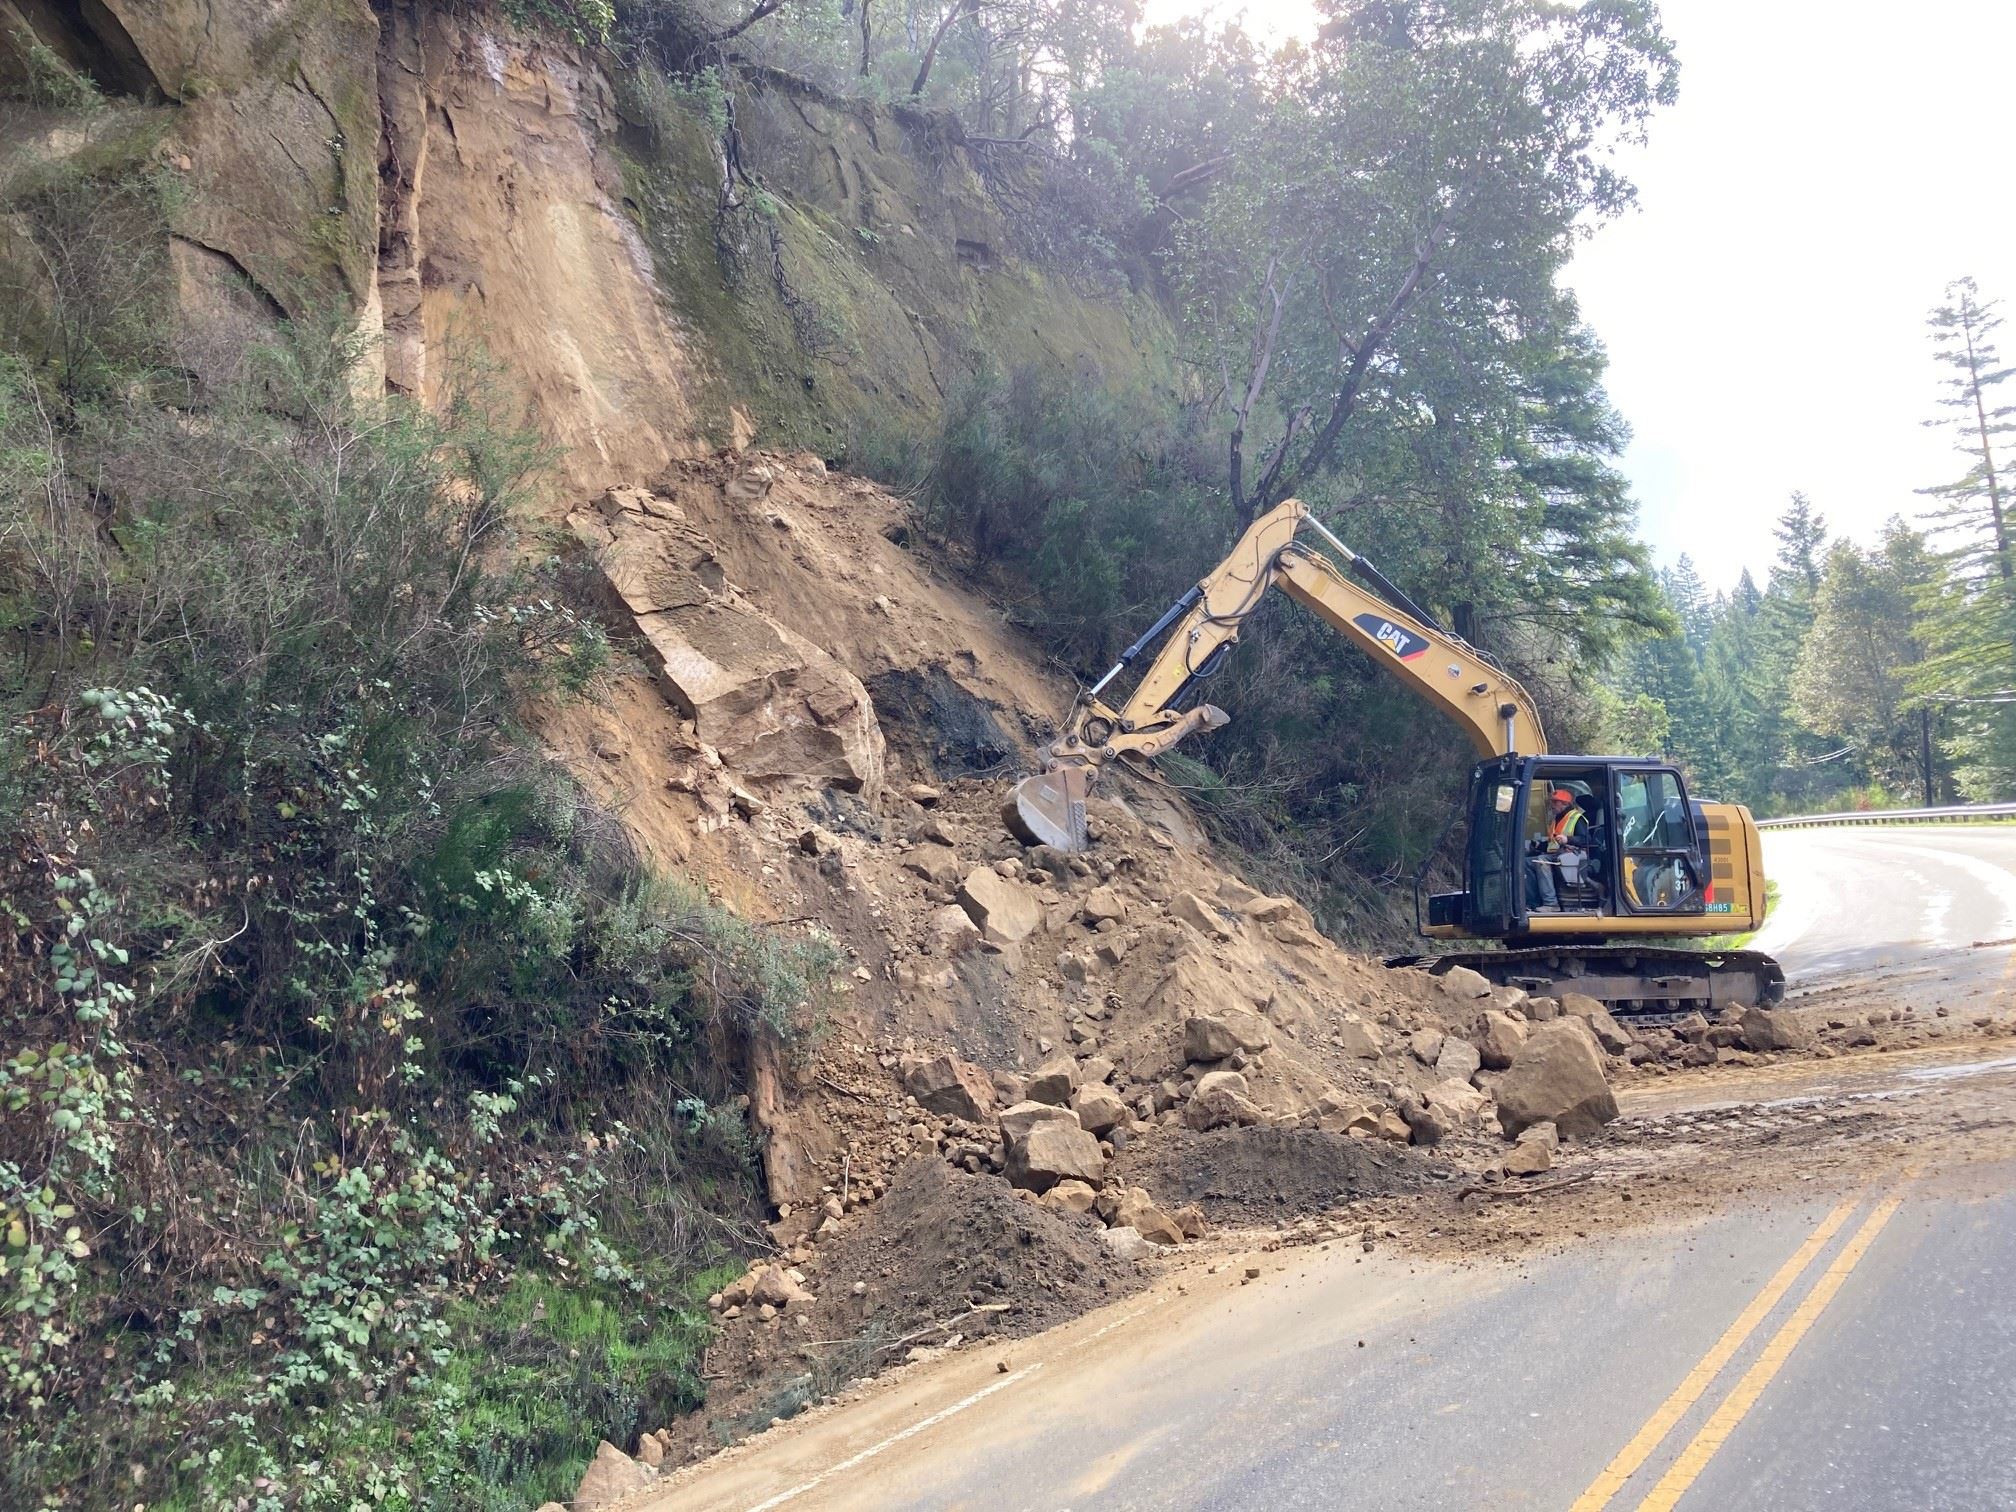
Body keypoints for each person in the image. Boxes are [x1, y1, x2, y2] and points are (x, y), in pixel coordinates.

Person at [1526, 787, 1587, 910]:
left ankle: (1551, 903)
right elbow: (1553, 843)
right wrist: (1539, 845)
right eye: (1551, 801)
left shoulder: (1576, 818)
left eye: (1555, 802)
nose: (1551, 805)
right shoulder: (1556, 819)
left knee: (1542, 861)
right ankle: (1534, 903)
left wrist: (1568, 839)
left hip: (1573, 854)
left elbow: (1585, 839)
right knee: (1526, 863)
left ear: (1565, 803)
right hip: (1557, 854)